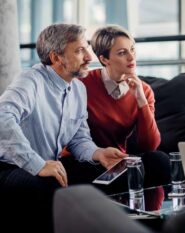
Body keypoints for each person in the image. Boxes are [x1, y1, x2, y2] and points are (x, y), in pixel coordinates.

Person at [0, 24, 128, 232]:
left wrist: (98, 153)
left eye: (86, 48)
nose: (89, 57)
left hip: (51, 166)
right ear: (56, 57)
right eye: (79, 51)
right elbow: (2, 118)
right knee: (50, 187)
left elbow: (79, 139)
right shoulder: (30, 81)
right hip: (11, 167)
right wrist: (37, 164)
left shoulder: (77, 88)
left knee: (117, 174)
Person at [79, 25, 170, 189]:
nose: (131, 57)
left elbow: (150, 146)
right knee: (122, 179)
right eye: (122, 53)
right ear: (104, 59)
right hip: (85, 160)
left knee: (159, 160)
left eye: (132, 49)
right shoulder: (82, 85)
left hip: (117, 160)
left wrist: (141, 100)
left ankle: (153, 214)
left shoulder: (144, 90)